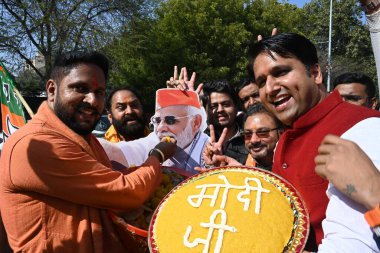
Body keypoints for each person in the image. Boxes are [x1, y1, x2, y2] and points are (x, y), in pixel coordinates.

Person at [0, 50, 176, 253]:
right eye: (80, 88)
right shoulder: (34, 144)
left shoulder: (85, 138)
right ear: (51, 90)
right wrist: (158, 155)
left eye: (99, 92)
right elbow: (124, 191)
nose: (92, 101)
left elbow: (106, 186)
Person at [248, 33, 380, 251]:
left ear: (315, 73)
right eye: (261, 82)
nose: (270, 88)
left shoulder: (364, 129)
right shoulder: (285, 138)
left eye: (281, 72)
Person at [101, 88, 209, 174]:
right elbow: (113, 150)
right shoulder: (154, 141)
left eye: (170, 120)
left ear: (195, 123)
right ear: (109, 116)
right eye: (157, 120)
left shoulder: (208, 148)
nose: (160, 127)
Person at [202, 80, 248, 164]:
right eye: (213, 106)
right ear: (206, 110)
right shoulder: (199, 138)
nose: (220, 110)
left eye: (226, 104)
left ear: (236, 106)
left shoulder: (251, 137)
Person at [243, 103, 283, 171]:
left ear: (280, 132)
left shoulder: (297, 165)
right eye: (248, 134)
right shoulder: (241, 168)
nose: (253, 140)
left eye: (262, 132)